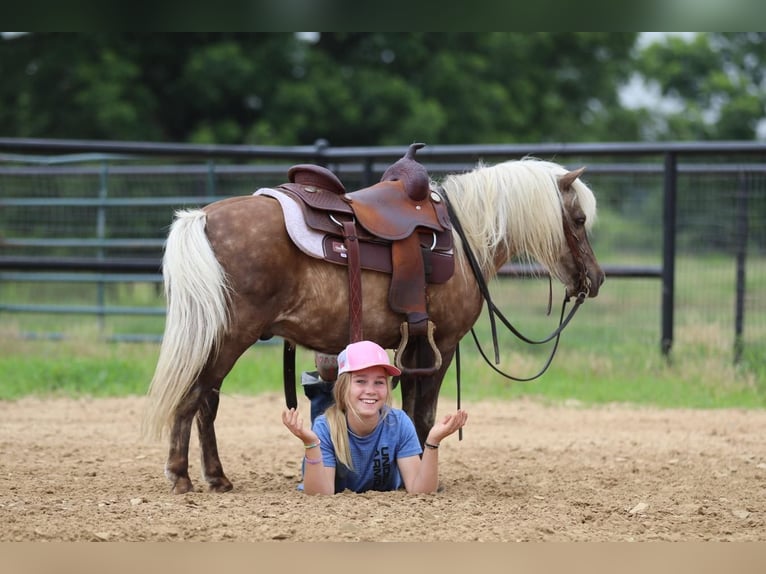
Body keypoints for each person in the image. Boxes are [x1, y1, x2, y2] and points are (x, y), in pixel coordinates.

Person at [282, 340, 468, 495]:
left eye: (379, 382)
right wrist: (311, 443)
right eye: (361, 381)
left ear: (387, 388)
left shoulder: (399, 423)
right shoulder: (326, 427)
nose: (370, 390)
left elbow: (421, 492)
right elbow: (320, 496)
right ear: (343, 387)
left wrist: (433, 441)